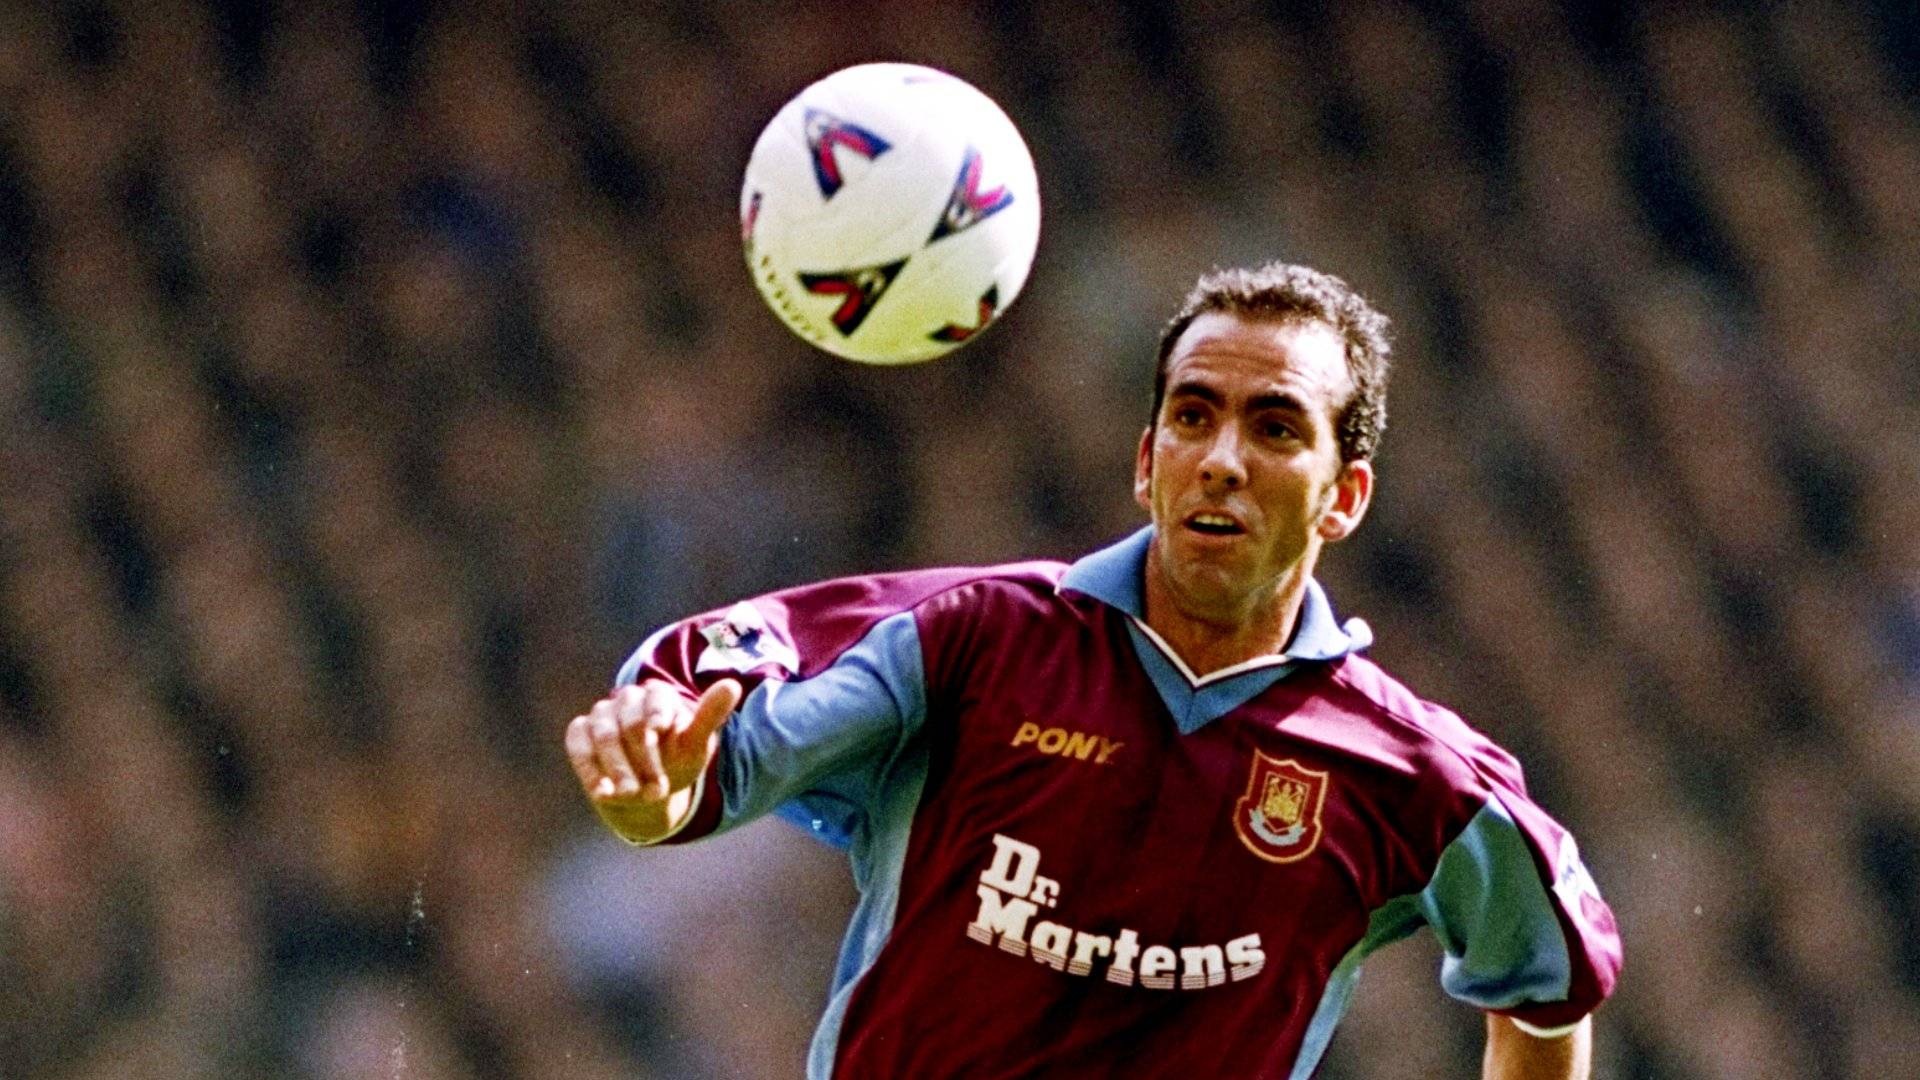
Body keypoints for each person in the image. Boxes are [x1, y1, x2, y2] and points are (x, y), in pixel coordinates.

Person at [566, 263, 1622, 1079]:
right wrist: (655, 796)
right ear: (1145, 459)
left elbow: (1549, 984)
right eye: (1193, 415)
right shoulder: (976, 640)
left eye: (1275, 427)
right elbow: (720, 758)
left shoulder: (1415, 781)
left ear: (1345, 497)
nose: (1220, 458)